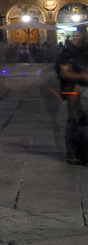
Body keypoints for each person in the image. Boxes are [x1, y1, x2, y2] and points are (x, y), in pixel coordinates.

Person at [56, 30, 88, 164]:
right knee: (75, 122)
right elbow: (64, 73)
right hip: (76, 90)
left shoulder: (84, 50)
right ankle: (73, 154)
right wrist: (82, 77)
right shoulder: (69, 51)